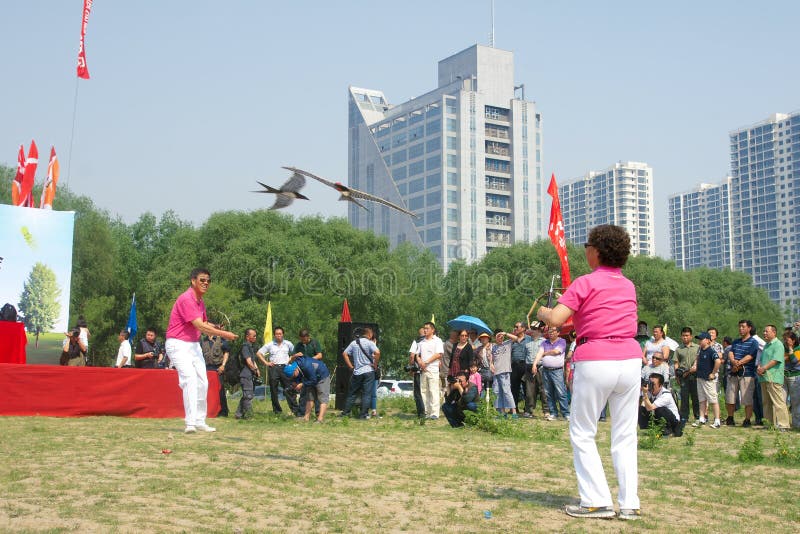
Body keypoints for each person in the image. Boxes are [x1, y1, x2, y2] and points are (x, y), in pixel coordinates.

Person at [536, 224, 642, 520]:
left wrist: (544, 312)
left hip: (596, 359)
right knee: (624, 435)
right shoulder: (628, 285)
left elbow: (556, 318)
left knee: (583, 431)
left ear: (595, 251)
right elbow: (597, 316)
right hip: (630, 359)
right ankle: (629, 503)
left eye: (587, 245)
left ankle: (596, 501)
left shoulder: (584, 282)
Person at [165, 268, 238, 434]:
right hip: (178, 343)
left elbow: (204, 322)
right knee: (189, 379)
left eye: (208, 281)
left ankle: (199, 420)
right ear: (193, 281)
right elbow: (199, 326)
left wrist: (216, 326)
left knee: (203, 382)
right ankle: (190, 423)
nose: (206, 283)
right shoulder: (187, 299)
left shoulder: (200, 301)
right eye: (202, 280)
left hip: (192, 344)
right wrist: (224, 334)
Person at [725, 319, 759, 427]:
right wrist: (733, 361)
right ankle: (730, 417)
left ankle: (747, 419)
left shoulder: (754, 342)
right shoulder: (736, 341)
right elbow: (731, 352)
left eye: (743, 327)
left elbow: (750, 356)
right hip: (733, 373)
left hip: (747, 374)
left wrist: (738, 363)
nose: (741, 329)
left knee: (747, 398)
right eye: (739, 326)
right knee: (730, 397)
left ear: (749, 328)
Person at [257, 327, 299, 415]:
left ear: (283, 334)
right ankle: (277, 411)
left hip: (285, 368)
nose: (278, 335)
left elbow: (296, 353)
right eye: (276, 334)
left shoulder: (288, 344)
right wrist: (266, 362)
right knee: (273, 390)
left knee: (289, 389)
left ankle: (295, 410)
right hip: (274, 368)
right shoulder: (270, 344)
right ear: (274, 335)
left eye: (280, 334)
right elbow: (259, 353)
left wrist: (293, 362)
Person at [341, 327, 380, 419]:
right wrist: (375, 364)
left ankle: (345, 413)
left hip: (357, 372)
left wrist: (350, 366)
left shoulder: (354, 343)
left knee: (352, 393)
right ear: (369, 334)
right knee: (367, 394)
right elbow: (377, 353)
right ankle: (363, 415)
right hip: (368, 371)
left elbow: (344, 354)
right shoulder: (370, 343)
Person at [532, 326, 569, 421]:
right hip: (545, 370)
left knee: (561, 393)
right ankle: (553, 413)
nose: (550, 332)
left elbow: (557, 352)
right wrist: (534, 364)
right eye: (549, 331)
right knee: (548, 393)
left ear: (558, 332)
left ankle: (566, 414)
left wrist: (545, 353)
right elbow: (539, 353)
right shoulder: (544, 342)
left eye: (553, 331)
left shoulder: (562, 341)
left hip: (557, 371)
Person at [757, 325, 790, 430]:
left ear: (774, 333)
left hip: (773, 377)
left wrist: (764, 368)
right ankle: (768, 424)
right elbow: (761, 359)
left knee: (778, 402)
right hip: (764, 377)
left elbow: (776, 360)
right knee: (766, 402)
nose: (764, 333)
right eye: (764, 331)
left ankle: (783, 424)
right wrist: (759, 367)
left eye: (767, 331)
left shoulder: (778, 344)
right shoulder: (766, 345)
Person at [285, 354, 331, 423]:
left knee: (323, 398)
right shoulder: (296, 366)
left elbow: (314, 380)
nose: (293, 377)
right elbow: (301, 376)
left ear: (295, 370)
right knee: (310, 398)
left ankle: (320, 419)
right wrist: (296, 383)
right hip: (311, 377)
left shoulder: (306, 365)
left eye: (293, 375)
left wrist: (302, 384)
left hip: (322, 376)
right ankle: (306, 418)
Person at [691, 332, 721, 428]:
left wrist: (713, 373)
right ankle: (701, 418)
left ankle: (717, 421)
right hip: (700, 377)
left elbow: (718, 361)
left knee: (713, 400)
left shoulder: (711, 351)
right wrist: (695, 365)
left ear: (708, 340)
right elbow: (697, 359)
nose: (699, 341)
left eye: (701, 339)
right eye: (699, 339)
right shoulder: (700, 350)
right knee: (702, 400)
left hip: (708, 380)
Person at [414, 322, 444, 420]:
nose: (425, 330)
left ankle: (434, 413)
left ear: (432, 330)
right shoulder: (421, 342)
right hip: (423, 370)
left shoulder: (438, 340)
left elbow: (439, 354)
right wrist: (419, 362)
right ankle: (425, 412)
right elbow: (417, 355)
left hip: (433, 369)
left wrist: (426, 362)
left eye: (427, 328)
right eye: (424, 328)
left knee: (433, 391)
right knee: (423, 391)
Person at [291, 329, 323, 418]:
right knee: (304, 392)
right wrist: (295, 355)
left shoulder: (314, 343)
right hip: (304, 372)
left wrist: (310, 360)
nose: (303, 341)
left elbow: (320, 355)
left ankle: (318, 413)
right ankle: (301, 413)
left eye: (304, 339)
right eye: (301, 339)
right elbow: (292, 358)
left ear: (308, 337)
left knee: (316, 391)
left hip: (315, 370)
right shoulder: (298, 345)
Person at [639, 373, 682, 437]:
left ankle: (668, 430)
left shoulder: (666, 395)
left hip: (674, 422)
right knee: (641, 409)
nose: (651, 386)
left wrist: (645, 393)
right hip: (661, 418)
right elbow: (643, 406)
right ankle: (651, 428)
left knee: (660, 409)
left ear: (660, 385)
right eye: (650, 383)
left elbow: (650, 408)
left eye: (653, 384)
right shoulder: (650, 392)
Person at [235, 328, 264, 420]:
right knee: (248, 396)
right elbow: (248, 361)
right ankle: (249, 416)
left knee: (246, 395)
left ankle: (238, 414)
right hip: (245, 374)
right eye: (253, 336)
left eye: (256, 335)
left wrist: (257, 370)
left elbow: (252, 360)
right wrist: (255, 369)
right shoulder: (245, 347)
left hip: (250, 374)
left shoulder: (251, 346)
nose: (255, 337)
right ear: (247, 337)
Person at [201, 328, 230, 417]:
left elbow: (226, 352)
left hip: (218, 369)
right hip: (206, 369)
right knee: (207, 391)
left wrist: (223, 365)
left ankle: (223, 411)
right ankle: (210, 410)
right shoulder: (202, 341)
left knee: (220, 390)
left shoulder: (221, 339)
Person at [674, 327, 700, 425]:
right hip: (683, 376)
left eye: (687, 335)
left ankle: (697, 416)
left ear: (691, 336)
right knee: (684, 397)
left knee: (695, 397)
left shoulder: (697, 347)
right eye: (683, 335)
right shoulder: (679, 349)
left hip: (695, 375)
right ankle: (684, 416)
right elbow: (676, 363)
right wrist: (677, 375)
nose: (685, 337)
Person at [490, 329, 517, 418]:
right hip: (496, 373)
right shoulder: (493, 347)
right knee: (497, 392)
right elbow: (491, 359)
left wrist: (505, 333)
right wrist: (491, 364)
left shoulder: (507, 343)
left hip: (505, 371)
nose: (500, 338)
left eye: (501, 336)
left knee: (506, 391)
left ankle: (514, 412)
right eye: (498, 336)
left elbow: (516, 338)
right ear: (495, 337)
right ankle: (501, 412)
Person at [523, 325, 547, 418]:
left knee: (543, 390)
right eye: (531, 328)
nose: (531, 330)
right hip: (529, 367)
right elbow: (526, 355)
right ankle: (529, 411)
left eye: (533, 329)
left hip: (541, 367)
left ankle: (546, 411)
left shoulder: (544, 341)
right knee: (529, 391)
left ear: (538, 330)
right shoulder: (527, 341)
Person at [509, 321, 532, 411]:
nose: (515, 328)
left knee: (527, 388)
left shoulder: (529, 339)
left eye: (517, 327)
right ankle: (514, 408)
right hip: (514, 366)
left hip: (525, 365)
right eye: (514, 327)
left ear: (523, 329)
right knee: (514, 388)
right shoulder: (512, 341)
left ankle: (527, 409)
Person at [408, 327, 426, 418]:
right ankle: (429, 411)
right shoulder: (432, 341)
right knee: (428, 392)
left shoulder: (417, 342)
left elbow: (412, 356)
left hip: (418, 371)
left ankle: (421, 412)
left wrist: (411, 368)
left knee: (418, 393)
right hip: (429, 371)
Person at [783, 331, 800, 428]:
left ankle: (796, 424)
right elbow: (781, 359)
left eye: (787, 340)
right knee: (782, 400)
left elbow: (794, 361)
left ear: (793, 340)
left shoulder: (798, 348)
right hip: (784, 376)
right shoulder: (783, 349)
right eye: (784, 339)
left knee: (795, 402)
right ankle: (783, 423)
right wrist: (788, 355)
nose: (785, 341)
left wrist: (790, 350)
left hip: (795, 377)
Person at [475, 332, 493, 397]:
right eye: (482, 338)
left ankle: (492, 403)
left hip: (492, 369)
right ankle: (483, 403)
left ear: (488, 339)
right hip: (482, 370)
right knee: (482, 387)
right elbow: (474, 358)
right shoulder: (478, 349)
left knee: (491, 387)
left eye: (485, 338)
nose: (483, 339)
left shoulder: (493, 346)